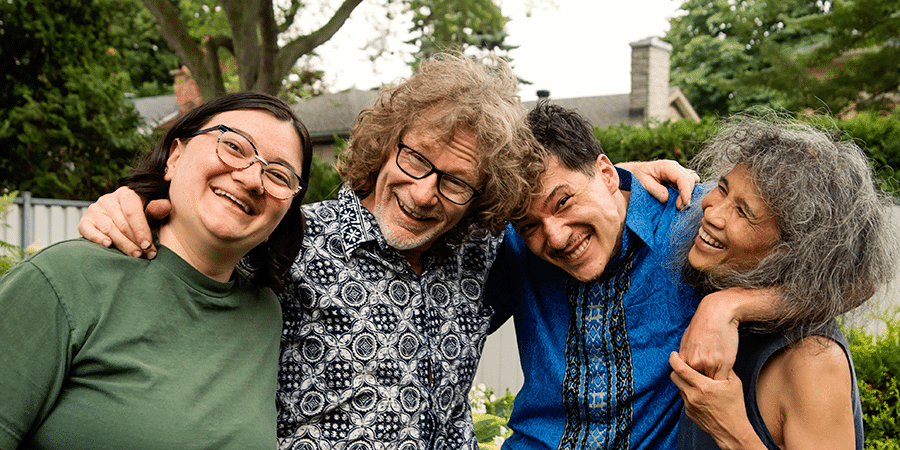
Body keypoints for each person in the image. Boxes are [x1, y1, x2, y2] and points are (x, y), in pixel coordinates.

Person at [77, 54, 700, 449]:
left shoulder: (480, 255)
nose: (426, 193)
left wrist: (615, 183)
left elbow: (557, 211)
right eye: (416, 160)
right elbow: (197, 240)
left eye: (455, 182)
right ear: (384, 144)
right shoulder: (287, 238)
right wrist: (134, 199)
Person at [0, 92, 313, 449]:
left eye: (279, 175)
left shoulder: (265, 314)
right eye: (235, 147)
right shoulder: (63, 280)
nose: (252, 178)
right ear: (175, 157)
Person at [484, 101, 777, 449]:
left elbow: (845, 266)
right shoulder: (515, 248)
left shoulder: (692, 218)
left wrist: (727, 305)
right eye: (530, 224)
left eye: (563, 202)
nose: (556, 237)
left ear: (606, 175)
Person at [668, 113, 897, 450]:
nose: (712, 212)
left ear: (792, 251)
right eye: (723, 188)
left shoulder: (812, 363)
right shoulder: (728, 298)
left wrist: (731, 431)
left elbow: (866, 280)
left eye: (744, 211)